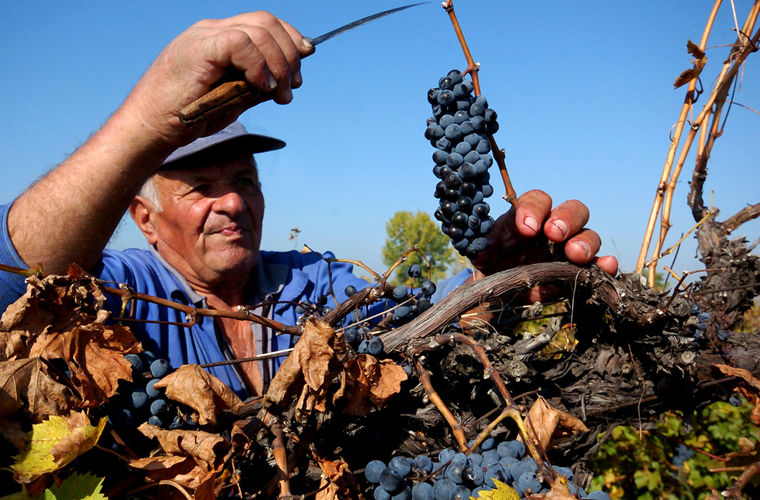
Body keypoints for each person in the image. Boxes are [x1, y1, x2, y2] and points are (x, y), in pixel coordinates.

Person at [0, 11, 617, 399]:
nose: (233, 203)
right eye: (202, 187)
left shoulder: (316, 284)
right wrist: (146, 125)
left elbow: (419, 325)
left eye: (244, 179)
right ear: (144, 219)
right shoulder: (120, 295)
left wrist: (493, 280)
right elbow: (16, 281)